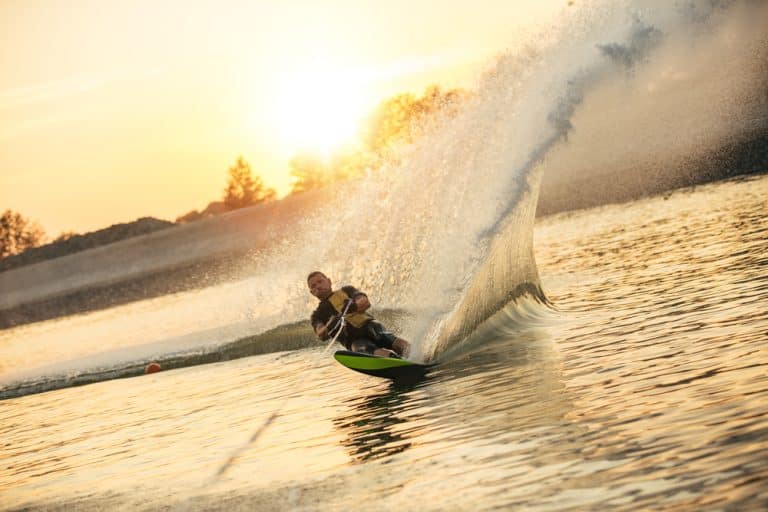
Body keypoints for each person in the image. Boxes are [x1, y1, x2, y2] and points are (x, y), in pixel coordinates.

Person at [307, 271, 411, 358]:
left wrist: (354, 306)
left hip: (370, 326)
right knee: (362, 349)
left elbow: (365, 302)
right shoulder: (317, 315)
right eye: (314, 286)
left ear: (329, 281)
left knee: (386, 337)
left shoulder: (347, 290)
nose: (318, 286)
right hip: (353, 340)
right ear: (312, 292)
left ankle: (416, 353)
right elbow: (320, 333)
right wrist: (330, 325)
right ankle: (392, 358)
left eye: (320, 281)